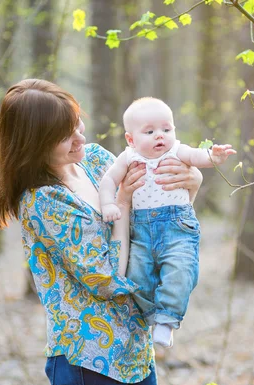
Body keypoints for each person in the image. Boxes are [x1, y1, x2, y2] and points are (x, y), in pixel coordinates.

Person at [0, 79, 202, 385]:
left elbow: (157, 226)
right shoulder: (43, 201)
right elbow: (105, 277)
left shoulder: (95, 160)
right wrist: (123, 203)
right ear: (35, 143)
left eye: (77, 124)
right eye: (65, 135)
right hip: (89, 358)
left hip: (136, 348)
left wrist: (193, 182)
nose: (80, 138)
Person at [98, 97, 236, 348]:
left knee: (181, 271)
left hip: (177, 227)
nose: (159, 136)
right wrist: (108, 203)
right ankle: (152, 314)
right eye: (149, 131)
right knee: (137, 277)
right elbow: (108, 180)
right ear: (131, 140)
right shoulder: (128, 157)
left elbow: (197, 156)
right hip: (141, 231)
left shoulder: (176, 150)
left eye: (166, 129)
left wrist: (213, 156)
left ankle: (167, 319)